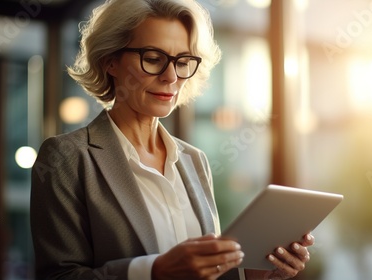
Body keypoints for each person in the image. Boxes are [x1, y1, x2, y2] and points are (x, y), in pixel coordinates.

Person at [30, 0, 314, 279]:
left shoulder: (194, 160)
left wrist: (256, 272)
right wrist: (154, 272)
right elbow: (59, 275)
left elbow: (207, 272)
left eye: (183, 61)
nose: (171, 76)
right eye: (153, 59)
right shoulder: (67, 157)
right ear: (110, 61)